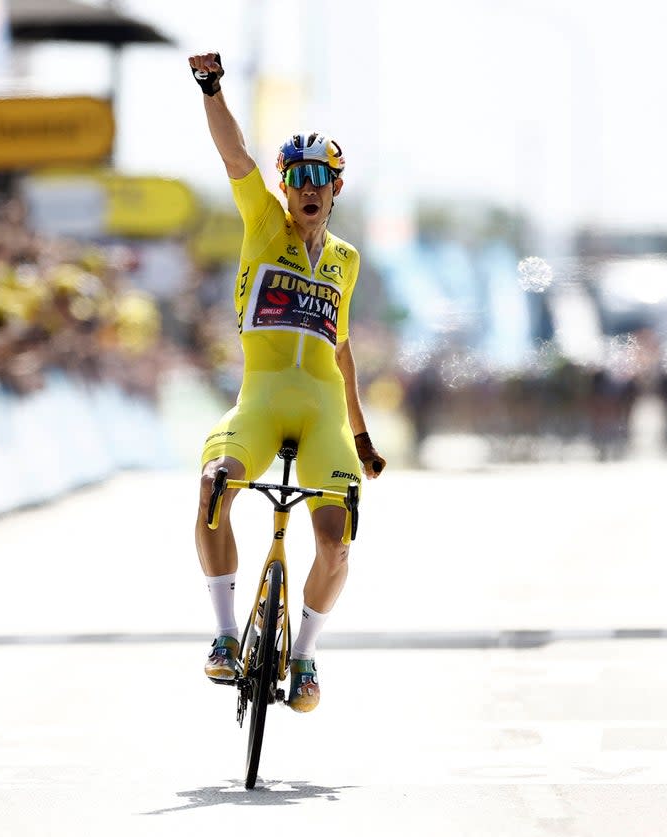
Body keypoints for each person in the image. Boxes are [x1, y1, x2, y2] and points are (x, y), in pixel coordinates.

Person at [188, 52, 386, 713]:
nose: (307, 187)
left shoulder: (346, 261)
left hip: (325, 413)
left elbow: (345, 352)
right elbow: (234, 152)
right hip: (262, 400)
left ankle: (303, 655)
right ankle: (223, 636)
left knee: (335, 542)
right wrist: (211, 88)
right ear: (286, 184)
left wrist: (360, 436)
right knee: (215, 487)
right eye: (296, 176)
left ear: (335, 189)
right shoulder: (264, 222)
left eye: (319, 178)